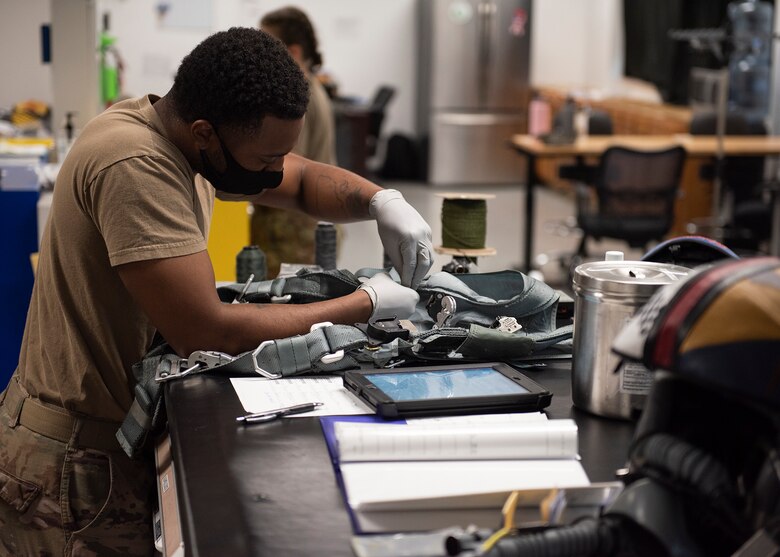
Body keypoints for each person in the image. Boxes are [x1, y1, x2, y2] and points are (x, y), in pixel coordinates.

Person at [0, 27, 433, 556]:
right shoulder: (135, 164)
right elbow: (207, 331)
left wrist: (380, 200)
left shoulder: (182, 136)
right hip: (72, 463)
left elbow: (298, 181)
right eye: (263, 160)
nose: (274, 171)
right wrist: (364, 304)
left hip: (103, 441)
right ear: (205, 132)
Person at [253, 6, 338, 276]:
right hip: (303, 224)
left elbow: (284, 167)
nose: (260, 55)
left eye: (268, 46)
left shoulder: (292, 99)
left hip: (292, 230)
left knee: (282, 306)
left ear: (294, 52)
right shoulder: (309, 87)